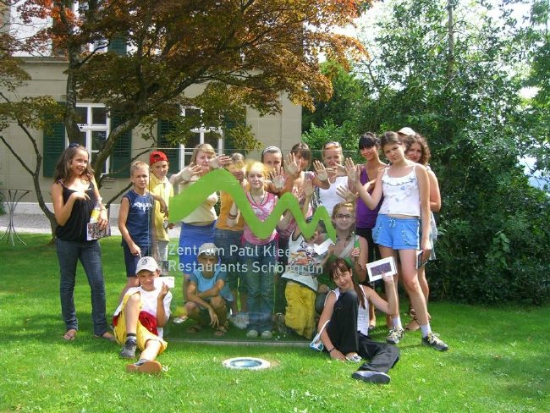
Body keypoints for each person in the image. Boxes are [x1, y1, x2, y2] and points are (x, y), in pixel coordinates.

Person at [347, 131, 449, 351]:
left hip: (408, 227)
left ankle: (427, 333)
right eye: (387, 151)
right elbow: (372, 203)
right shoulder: (384, 172)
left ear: (402, 146)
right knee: (389, 277)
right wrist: (356, 183)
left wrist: (425, 240)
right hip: (384, 226)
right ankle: (396, 326)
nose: (392, 154)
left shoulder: (419, 170)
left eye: (394, 148)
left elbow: (425, 207)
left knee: (411, 280)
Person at [51, 143, 114, 341]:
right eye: (79, 160)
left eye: (85, 161)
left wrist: (103, 212)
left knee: (98, 283)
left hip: (90, 241)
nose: (82, 164)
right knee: (67, 284)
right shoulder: (59, 185)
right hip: (67, 241)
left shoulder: (89, 178)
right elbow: (60, 219)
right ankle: (71, 327)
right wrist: (73, 198)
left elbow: (99, 202)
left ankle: (100, 328)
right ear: (69, 161)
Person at [317, 258, 400, 384]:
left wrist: (390, 284)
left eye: (344, 274)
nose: (342, 280)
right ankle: (350, 352)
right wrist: (332, 350)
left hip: (358, 338)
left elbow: (391, 310)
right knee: (350, 296)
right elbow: (321, 326)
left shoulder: (365, 291)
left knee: (392, 350)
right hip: (339, 338)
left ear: (350, 272)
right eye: (337, 278)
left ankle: (369, 371)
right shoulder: (334, 295)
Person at [227, 160, 282, 339]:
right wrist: (236, 200)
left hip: (269, 246)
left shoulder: (274, 199)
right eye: (252, 176)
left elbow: (282, 224)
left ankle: (266, 326)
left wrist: (290, 205)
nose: (256, 179)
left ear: (265, 178)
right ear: (247, 178)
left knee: (266, 289)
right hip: (250, 246)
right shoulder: (244, 198)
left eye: (259, 175)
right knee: (253, 289)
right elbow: (231, 223)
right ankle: (253, 325)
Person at [169, 143, 230, 304]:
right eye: (202, 157)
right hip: (190, 232)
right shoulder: (189, 173)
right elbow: (174, 179)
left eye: (209, 157)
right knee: (188, 275)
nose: (206, 160)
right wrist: (182, 176)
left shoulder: (213, 177)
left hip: (210, 230)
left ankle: (214, 305)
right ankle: (188, 306)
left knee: (212, 272)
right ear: (195, 158)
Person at [402, 133, 441, 331]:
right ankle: (419, 312)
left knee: (418, 274)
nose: (415, 154)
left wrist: (416, 203)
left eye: (418, 151)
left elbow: (437, 204)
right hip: (404, 226)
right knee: (407, 275)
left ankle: (420, 318)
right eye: (411, 150)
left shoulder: (427, 172)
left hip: (422, 226)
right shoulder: (402, 172)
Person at [114, 256, 172, 374]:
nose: (147, 280)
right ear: (138, 277)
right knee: (134, 297)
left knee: (155, 343)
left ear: (158, 273)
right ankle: (130, 342)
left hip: (148, 333)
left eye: (151, 275)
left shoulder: (165, 293)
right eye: (143, 276)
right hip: (127, 330)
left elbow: (161, 323)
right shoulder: (132, 291)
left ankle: (141, 363)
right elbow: (118, 319)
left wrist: (160, 299)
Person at [355, 133, 387, 329]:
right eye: (362, 148)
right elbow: (353, 192)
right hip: (362, 225)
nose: (366, 151)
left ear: (378, 147)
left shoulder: (387, 169)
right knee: (364, 270)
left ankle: (391, 315)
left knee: (383, 269)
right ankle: (370, 314)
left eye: (369, 147)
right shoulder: (359, 170)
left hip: (382, 226)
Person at [316, 201, 368, 314]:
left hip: (348, 290)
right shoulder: (322, 239)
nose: (344, 219)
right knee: (320, 304)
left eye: (347, 216)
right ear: (333, 219)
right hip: (326, 289)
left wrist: (354, 262)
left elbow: (362, 278)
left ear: (353, 219)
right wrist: (318, 285)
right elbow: (313, 270)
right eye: (340, 216)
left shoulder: (361, 242)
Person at [279, 218, 327, 339]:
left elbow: (316, 271)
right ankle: (281, 319)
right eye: (312, 229)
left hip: (310, 287)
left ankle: (294, 325)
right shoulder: (296, 240)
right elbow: (301, 222)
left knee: (308, 329)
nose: (314, 232)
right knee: (298, 320)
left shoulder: (319, 250)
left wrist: (329, 255)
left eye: (318, 231)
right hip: (294, 284)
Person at [214, 153, 248, 321]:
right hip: (225, 232)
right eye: (233, 168)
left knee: (245, 273)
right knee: (231, 273)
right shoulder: (225, 182)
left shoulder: (251, 184)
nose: (237, 170)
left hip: (245, 233)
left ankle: (245, 311)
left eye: (240, 167)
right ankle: (234, 311)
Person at [118, 161, 157, 302]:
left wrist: (154, 247)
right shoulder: (128, 198)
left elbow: (152, 224)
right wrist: (131, 244)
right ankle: (118, 312)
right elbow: (121, 224)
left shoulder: (150, 198)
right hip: (134, 244)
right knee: (134, 281)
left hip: (148, 243)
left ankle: (139, 310)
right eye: (138, 176)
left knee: (147, 280)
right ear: (132, 179)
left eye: (144, 176)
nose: (142, 179)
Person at [185, 243, 233, 336]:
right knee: (189, 307)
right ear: (199, 259)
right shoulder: (196, 273)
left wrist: (197, 296)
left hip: (221, 303)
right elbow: (189, 294)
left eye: (211, 259)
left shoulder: (221, 271)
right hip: (205, 303)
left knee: (216, 300)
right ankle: (203, 322)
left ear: (217, 261)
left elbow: (215, 291)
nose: (208, 262)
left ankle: (223, 323)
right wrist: (209, 307)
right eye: (204, 259)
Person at [148, 150, 174, 276]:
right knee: (149, 270)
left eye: (164, 166)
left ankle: (163, 287)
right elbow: (142, 191)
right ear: (151, 168)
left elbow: (171, 205)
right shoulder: (148, 180)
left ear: (168, 165)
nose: (161, 170)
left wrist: (171, 218)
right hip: (149, 233)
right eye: (157, 167)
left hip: (163, 233)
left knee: (163, 271)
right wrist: (159, 198)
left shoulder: (168, 184)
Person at [317, 141, 348, 217]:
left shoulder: (349, 176)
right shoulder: (318, 177)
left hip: (342, 220)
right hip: (321, 220)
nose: (333, 161)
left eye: (336, 157)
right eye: (329, 158)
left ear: (341, 156)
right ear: (324, 159)